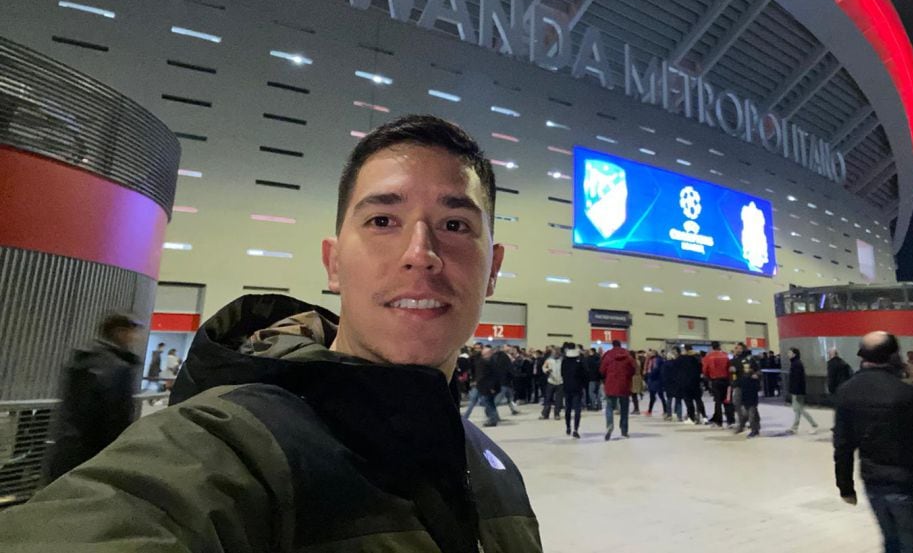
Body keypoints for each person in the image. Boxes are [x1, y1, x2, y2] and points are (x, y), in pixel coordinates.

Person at [0, 114, 543, 551]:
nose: (420, 254)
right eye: (382, 221)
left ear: (492, 268)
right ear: (333, 264)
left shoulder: (494, 474)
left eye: (455, 225)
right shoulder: (232, 444)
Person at [834, 332, 913, 553]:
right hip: (908, 480)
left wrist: (845, 486)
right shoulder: (910, 393)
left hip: (873, 480)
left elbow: (843, 443)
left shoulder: (846, 391)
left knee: (891, 542)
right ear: (893, 356)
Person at [43, 312, 143, 483]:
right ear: (119, 332)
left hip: (67, 450)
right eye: (131, 332)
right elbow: (115, 416)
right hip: (97, 454)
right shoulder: (115, 367)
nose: (135, 338)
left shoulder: (83, 359)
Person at [600, 339, 636, 440]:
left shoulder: (608, 355)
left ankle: (609, 425)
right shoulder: (628, 355)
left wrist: (606, 377)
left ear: (612, 345)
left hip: (611, 384)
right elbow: (633, 369)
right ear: (620, 345)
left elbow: (602, 370)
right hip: (624, 385)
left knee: (610, 407)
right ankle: (624, 430)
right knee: (624, 408)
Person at [786, 348, 819, 435]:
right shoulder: (795, 363)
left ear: (794, 354)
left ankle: (814, 424)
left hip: (797, 391)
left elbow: (797, 379)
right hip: (796, 390)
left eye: (789, 352)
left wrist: (796, 391)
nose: (788, 354)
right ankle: (794, 427)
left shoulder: (796, 364)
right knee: (797, 410)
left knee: (799, 409)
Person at [672, 344, 705, 425]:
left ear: (685, 349)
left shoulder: (681, 358)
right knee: (698, 400)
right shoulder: (697, 357)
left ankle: (691, 417)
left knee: (688, 400)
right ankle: (704, 417)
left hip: (685, 382)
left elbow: (675, 369)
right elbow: (701, 368)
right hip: (696, 381)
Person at [703, 341, 733, 426]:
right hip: (726, 380)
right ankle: (730, 420)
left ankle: (718, 421)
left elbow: (705, 369)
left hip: (715, 381)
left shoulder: (709, 357)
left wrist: (708, 378)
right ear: (719, 346)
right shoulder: (726, 355)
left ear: (712, 347)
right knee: (727, 400)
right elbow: (730, 367)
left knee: (718, 401)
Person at [561, 342, 586, 438]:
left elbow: (562, 373)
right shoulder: (579, 362)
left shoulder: (564, 362)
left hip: (567, 387)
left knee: (568, 408)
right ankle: (576, 428)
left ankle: (568, 426)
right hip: (577, 388)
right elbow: (584, 375)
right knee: (577, 409)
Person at [735, 353, 762, 437]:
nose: (746, 369)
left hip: (752, 398)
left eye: (748, 367)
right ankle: (754, 428)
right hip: (745, 398)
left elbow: (758, 387)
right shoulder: (743, 377)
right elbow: (739, 384)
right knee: (748, 414)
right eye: (745, 367)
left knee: (751, 415)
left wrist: (756, 376)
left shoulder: (754, 377)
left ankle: (754, 430)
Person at [494, 346, 520, 416]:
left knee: (509, 397)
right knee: (499, 399)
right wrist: (515, 375)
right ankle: (491, 413)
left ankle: (513, 409)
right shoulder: (505, 357)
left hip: (499, 380)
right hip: (505, 381)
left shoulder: (495, 357)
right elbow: (509, 368)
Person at [540, 346, 564, 420]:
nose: (556, 353)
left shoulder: (562, 360)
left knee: (558, 399)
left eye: (557, 352)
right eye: (554, 352)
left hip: (560, 382)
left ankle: (557, 414)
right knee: (548, 398)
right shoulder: (549, 360)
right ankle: (545, 414)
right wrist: (547, 370)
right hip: (551, 381)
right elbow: (543, 367)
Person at [644, 348, 668, 417]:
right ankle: (663, 410)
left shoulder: (656, 360)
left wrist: (650, 375)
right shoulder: (653, 359)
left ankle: (651, 411)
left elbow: (655, 369)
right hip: (655, 380)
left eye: (650, 353)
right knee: (658, 396)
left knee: (657, 396)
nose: (649, 354)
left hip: (655, 380)